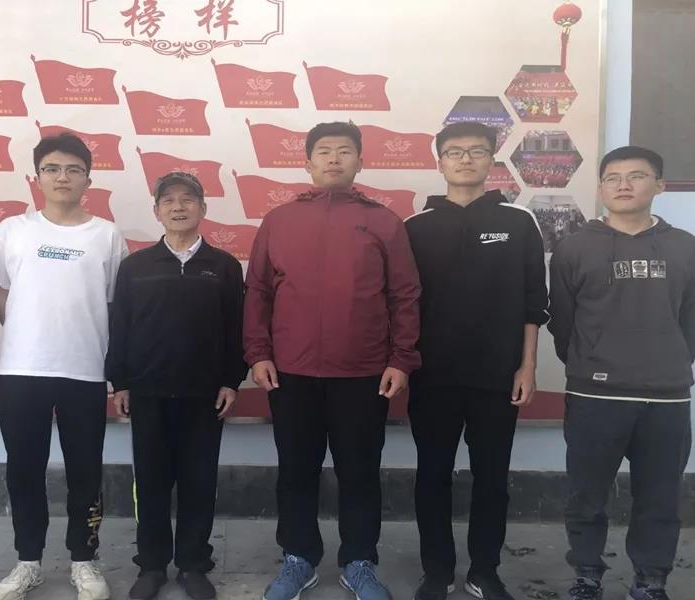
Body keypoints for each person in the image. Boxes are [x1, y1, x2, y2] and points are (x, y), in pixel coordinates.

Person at [244, 121, 421, 600]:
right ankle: (298, 559)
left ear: (360, 161)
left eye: (345, 151)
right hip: (291, 372)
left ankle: (359, 562)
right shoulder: (279, 221)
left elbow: (404, 294)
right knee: (296, 470)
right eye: (324, 151)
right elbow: (257, 291)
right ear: (307, 161)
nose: (334, 159)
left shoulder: (383, 222)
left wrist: (401, 359)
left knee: (359, 473)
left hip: (363, 373)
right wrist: (258, 353)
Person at [403, 122, 548, 600]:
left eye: (477, 151)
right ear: (439, 161)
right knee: (432, 476)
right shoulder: (414, 227)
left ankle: (484, 570)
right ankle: (437, 571)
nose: (465, 159)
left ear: (492, 160)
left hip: (498, 376)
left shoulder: (519, 222)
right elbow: (402, 304)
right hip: (433, 376)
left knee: (492, 479)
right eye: (454, 152)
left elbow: (534, 303)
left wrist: (527, 367)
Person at [0, 133, 128, 600]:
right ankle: (27, 562)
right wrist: (30, 332)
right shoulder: (13, 229)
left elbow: (115, 305)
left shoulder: (107, 234)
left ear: (88, 178)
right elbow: (0, 294)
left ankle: (84, 560)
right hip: (21, 372)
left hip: (84, 371)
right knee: (23, 471)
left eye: (72, 169)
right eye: (52, 168)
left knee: (85, 471)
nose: (62, 177)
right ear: (37, 176)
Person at [548, 146, 694, 600]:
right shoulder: (574, 247)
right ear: (601, 187)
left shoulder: (685, 247)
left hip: (666, 397)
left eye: (637, 176)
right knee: (586, 496)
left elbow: (690, 319)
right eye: (613, 177)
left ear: (660, 185)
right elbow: (563, 321)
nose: (624, 185)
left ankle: (650, 580)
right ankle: (587, 575)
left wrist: (671, 360)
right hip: (596, 395)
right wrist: (589, 363)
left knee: (660, 498)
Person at [106, 171, 247, 600]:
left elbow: (236, 329)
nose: (179, 207)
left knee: (199, 482)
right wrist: (120, 382)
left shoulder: (223, 266)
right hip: (147, 393)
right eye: (168, 200)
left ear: (203, 208)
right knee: (150, 483)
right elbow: (120, 327)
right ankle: (151, 565)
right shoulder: (135, 267)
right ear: (157, 211)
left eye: (188, 199)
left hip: (205, 395)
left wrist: (231, 380)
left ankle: (193, 564)